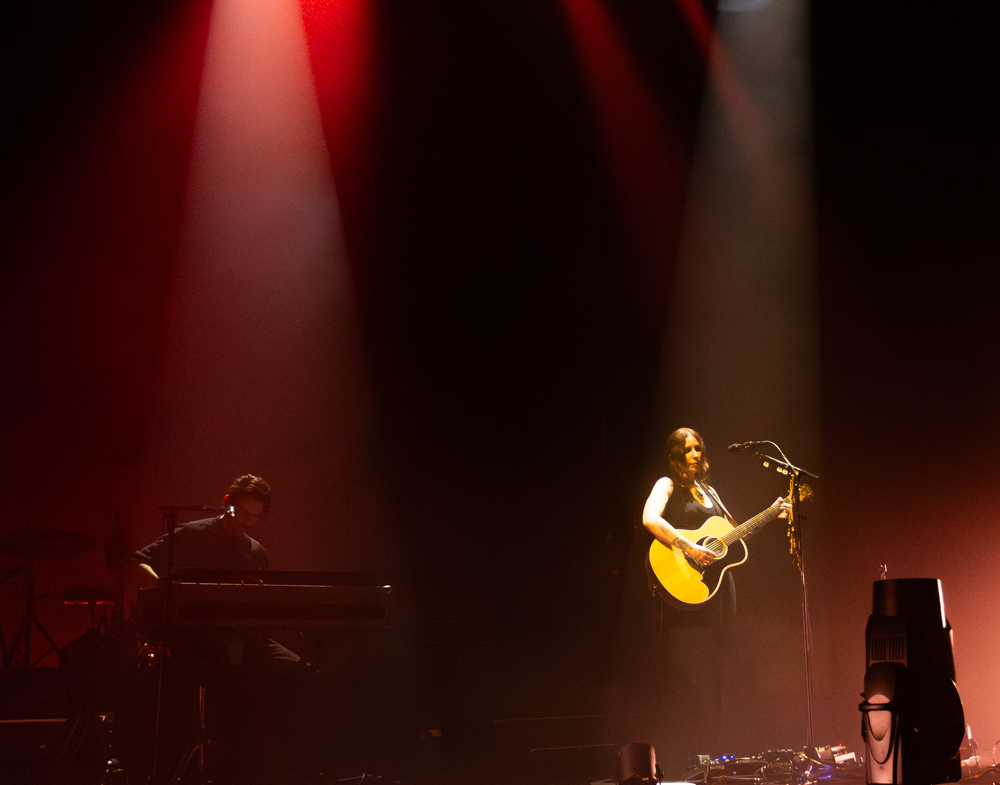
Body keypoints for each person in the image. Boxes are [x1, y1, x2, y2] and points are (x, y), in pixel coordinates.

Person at [635, 428, 788, 775]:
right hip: (684, 582)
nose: (694, 454)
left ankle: (718, 752)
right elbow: (649, 518)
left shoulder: (711, 492)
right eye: (687, 449)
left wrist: (770, 514)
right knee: (692, 667)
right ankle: (686, 752)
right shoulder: (667, 485)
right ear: (675, 454)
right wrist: (690, 547)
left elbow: (737, 533)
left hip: (717, 587)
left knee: (722, 662)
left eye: (698, 448)